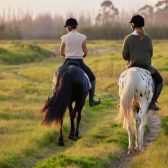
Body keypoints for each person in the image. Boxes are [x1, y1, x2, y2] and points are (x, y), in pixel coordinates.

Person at [122, 14, 163, 111]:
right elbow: (151, 54)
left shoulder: (128, 38)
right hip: (147, 68)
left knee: (121, 81)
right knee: (160, 81)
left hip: (132, 67)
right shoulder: (148, 38)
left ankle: (123, 101)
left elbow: (125, 56)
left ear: (133, 25)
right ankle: (152, 103)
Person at [60, 18, 100, 106]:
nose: (66, 28)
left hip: (67, 61)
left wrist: (68, 55)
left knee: (57, 76)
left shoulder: (64, 37)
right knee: (92, 78)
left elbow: (61, 52)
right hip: (79, 62)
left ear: (69, 27)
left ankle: (54, 96)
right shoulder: (82, 37)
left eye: (67, 27)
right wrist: (78, 55)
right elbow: (85, 53)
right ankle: (91, 100)